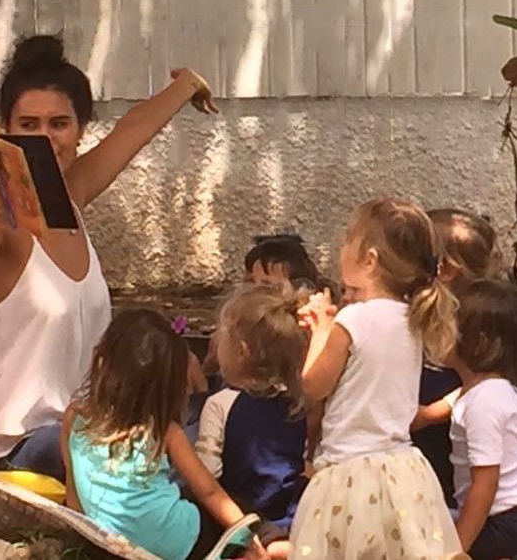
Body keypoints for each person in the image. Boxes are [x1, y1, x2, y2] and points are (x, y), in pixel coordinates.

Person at [0, 34, 216, 480]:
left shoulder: (69, 197)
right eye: (28, 124)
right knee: (164, 459)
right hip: (19, 450)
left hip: (84, 437)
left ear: (81, 130)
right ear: (6, 131)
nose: (46, 137)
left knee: (210, 410)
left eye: (59, 123)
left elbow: (131, 132)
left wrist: (187, 86)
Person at [290, 198, 463, 560]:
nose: (341, 248)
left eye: (346, 239)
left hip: (351, 475)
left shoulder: (352, 320)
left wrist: (320, 330)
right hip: (404, 471)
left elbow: (313, 386)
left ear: (369, 260)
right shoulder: (413, 318)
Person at [61, 310, 266, 560]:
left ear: (100, 360)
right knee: (235, 506)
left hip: (108, 543)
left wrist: (87, 542)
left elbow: (74, 490)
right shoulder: (164, 429)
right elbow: (209, 491)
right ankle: (262, 548)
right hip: (179, 544)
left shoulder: (75, 416)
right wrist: (245, 532)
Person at [196, 284, 309, 560]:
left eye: (220, 338)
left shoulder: (220, 404)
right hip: (291, 516)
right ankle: (282, 545)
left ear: (242, 350)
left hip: (241, 515)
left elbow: (207, 472)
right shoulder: (299, 402)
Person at [413, 208, 505, 507]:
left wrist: (429, 414)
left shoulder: (476, 318)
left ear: (444, 270)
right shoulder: (417, 311)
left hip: (453, 434)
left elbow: (488, 382)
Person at [445, 278, 517, 560]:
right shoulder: (488, 390)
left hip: (502, 523)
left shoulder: (484, 401)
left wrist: (457, 549)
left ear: (479, 342)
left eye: (445, 326)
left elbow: (486, 483)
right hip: (515, 518)